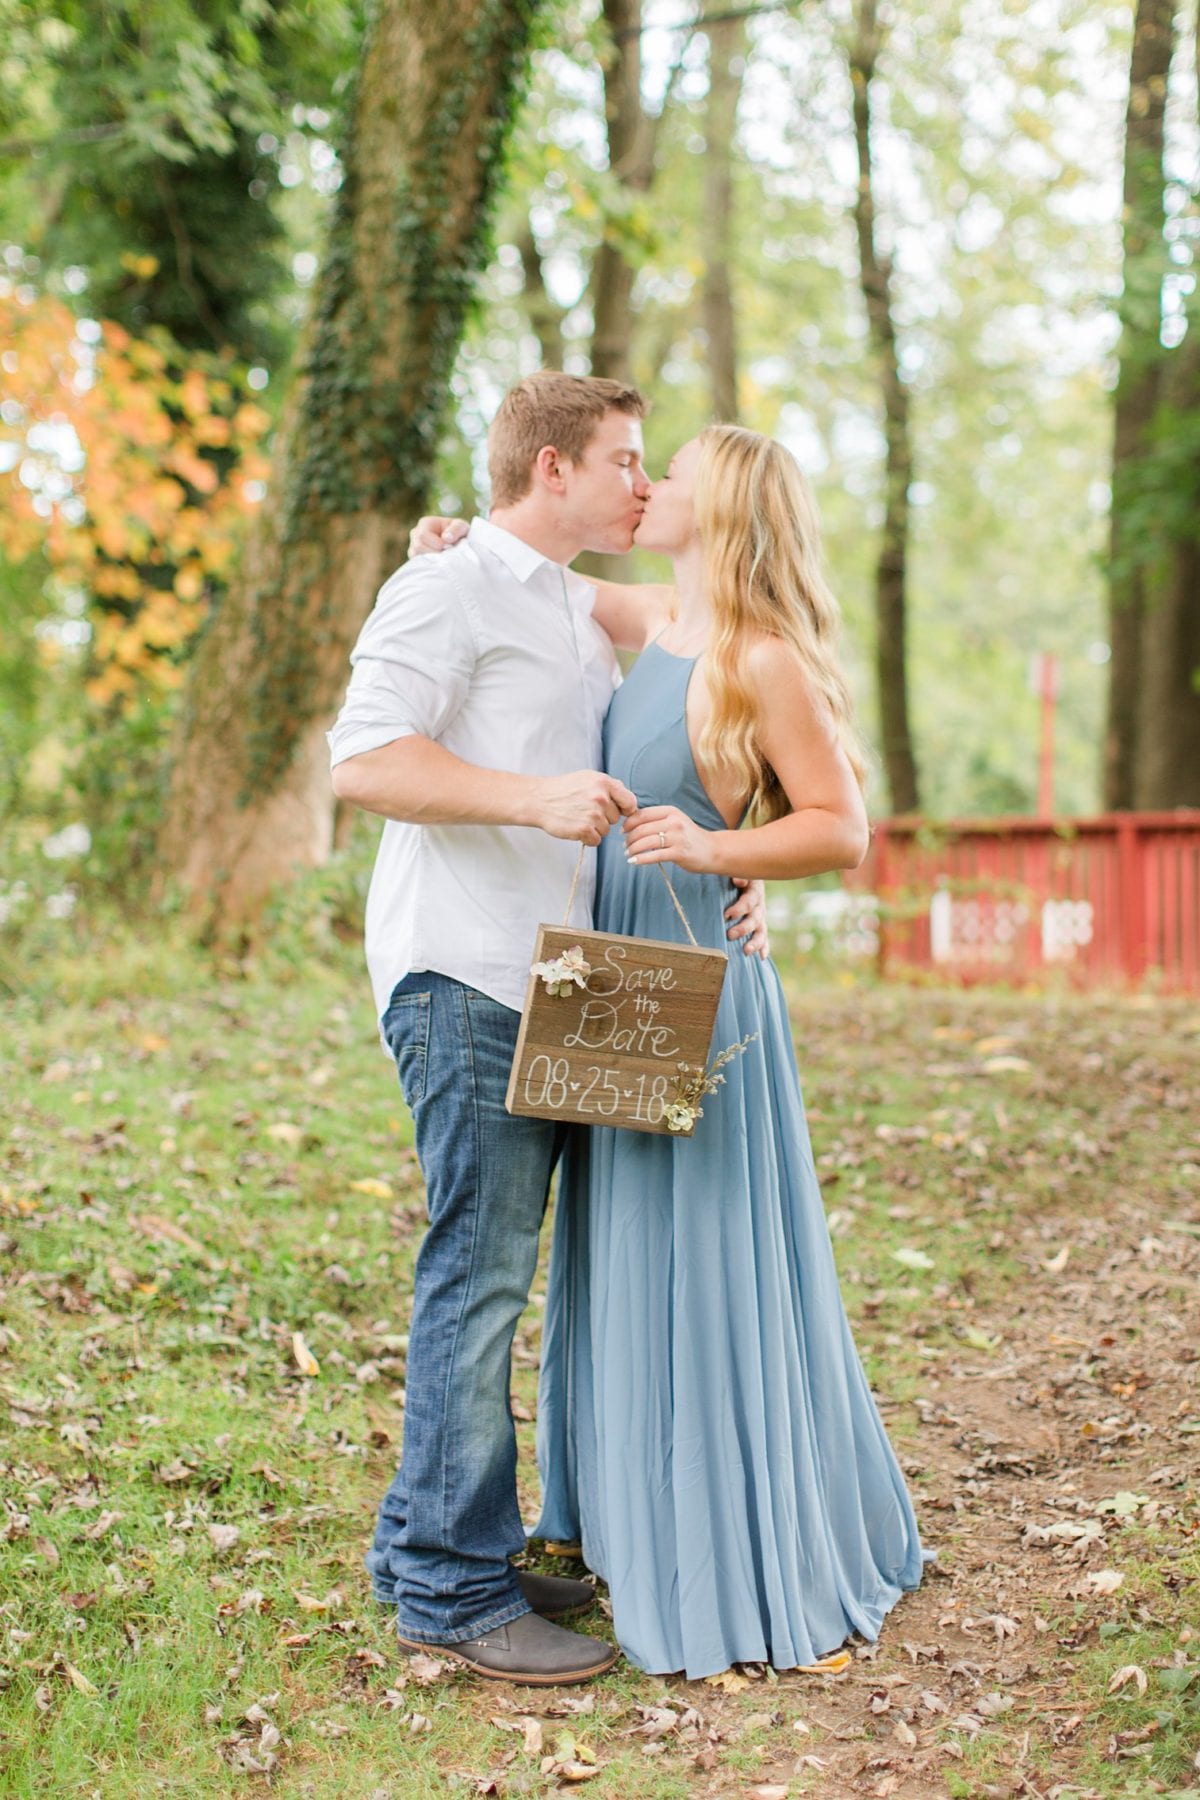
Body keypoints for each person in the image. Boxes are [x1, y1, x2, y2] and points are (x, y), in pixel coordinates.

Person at [413, 424, 927, 1680]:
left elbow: (841, 828)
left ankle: (724, 1539)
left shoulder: (761, 658)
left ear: (726, 506)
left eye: (672, 475)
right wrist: (446, 543)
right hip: (607, 970)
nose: (648, 487)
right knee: (618, 1246)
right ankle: (619, 1530)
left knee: (697, 1253)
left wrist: (719, 854)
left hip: (693, 977)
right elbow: (531, 576)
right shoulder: (653, 617)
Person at [326, 373, 768, 1686]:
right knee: (479, 1278)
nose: (644, 485)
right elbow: (360, 761)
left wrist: (742, 856)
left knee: (542, 1275)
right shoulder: (447, 588)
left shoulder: (578, 606)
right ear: (554, 469)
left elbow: (715, 664)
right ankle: (454, 1598)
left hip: (576, 984)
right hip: (465, 976)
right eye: (627, 461)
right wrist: (531, 798)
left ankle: (434, 1546)